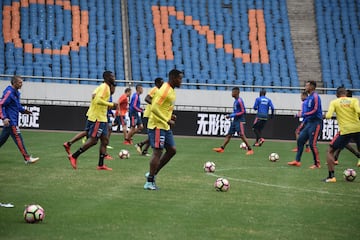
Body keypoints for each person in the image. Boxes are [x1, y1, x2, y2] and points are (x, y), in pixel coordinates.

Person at [65, 71, 118, 170]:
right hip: (98, 118)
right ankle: (74, 156)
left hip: (102, 117)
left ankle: (101, 164)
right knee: (93, 140)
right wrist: (112, 104)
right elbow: (97, 100)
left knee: (105, 140)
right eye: (112, 76)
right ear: (107, 77)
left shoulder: (102, 86)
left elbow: (93, 95)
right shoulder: (105, 87)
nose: (114, 78)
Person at [144, 69, 183, 190]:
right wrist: (167, 120)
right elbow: (154, 108)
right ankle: (149, 181)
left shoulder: (171, 90)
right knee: (157, 152)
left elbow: (162, 107)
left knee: (172, 150)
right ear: (173, 78)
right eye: (179, 78)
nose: (181, 81)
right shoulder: (165, 90)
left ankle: (153, 173)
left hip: (164, 126)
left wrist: (170, 115)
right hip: (157, 125)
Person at [323, 87, 360, 183]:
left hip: (346, 130)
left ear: (337, 95)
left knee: (330, 151)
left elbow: (328, 116)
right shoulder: (354, 100)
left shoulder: (334, 102)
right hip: (358, 128)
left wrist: (325, 116)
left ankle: (331, 177)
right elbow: (359, 111)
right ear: (346, 94)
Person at [0, 76, 39, 164]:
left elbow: (16, 106)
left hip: (12, 120)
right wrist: (4, 118)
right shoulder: (9, 93)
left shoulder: (16, 93)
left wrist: (24, 111)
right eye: (20, 82)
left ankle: (27, 158)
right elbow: (1, 104)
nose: (22, 84)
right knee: (18, 139)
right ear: (14, 83)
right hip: (11, 121)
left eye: (22, 82)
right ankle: (27, 158)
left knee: (1, 140)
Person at [288, 80, 323, 168]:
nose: (305, 87)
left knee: (312, 144)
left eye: (307, 86)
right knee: (300, 140)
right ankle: (297, 161)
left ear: (311, 87)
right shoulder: (309, 98)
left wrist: (305, 114)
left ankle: (317, 164)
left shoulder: (315, 96)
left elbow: (315, 110)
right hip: (309, 122)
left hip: (316, 122)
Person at [212, 87, 254, 155]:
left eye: (233, 92)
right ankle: (222, 148)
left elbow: (243, 111)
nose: (231, 93)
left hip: (240, 120)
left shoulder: (240, 101)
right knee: (229, 134)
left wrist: (232, 115)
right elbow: (236, 112)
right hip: (235, 120)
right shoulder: (235, 101)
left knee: (242, 135)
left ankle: (250, 149)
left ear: (237, 92)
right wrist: (231, 115)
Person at [135, 77, 164, 156]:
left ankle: (144, 149)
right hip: (149, 114)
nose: (163, 84)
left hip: (154, 115)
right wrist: (155, 105)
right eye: (161, 82)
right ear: (157, 83)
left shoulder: (161, 91)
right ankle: (140, 145)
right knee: (153, 135)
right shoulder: (154, 89)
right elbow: (146, 99)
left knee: (152, 135)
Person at [331, 89, 360, 166]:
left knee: (340, 144)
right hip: (355, 126)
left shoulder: (345, 103)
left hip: (347, 127)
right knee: (344, 143)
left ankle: (357, 155)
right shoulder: (353, 102)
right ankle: (335, 158)